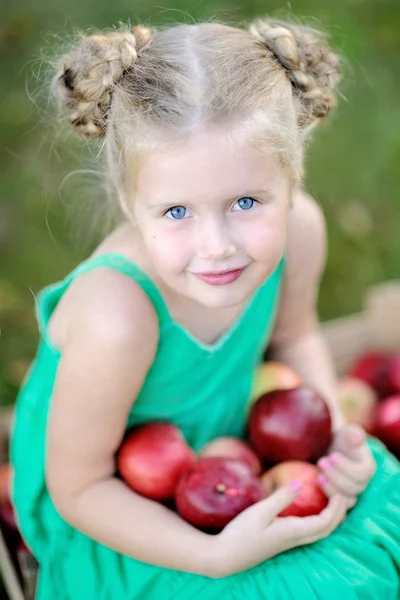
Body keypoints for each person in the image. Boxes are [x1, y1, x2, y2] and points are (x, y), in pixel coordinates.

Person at [9, 17, 400, 600]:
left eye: (245, 201)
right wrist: (213, 556)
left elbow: (295, 336)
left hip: (233, 460)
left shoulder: (300, 233)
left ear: (292, 180)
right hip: (121, 507)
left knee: (377, 513)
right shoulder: (117, 316)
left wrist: (333, 436)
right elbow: (81, 489)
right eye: (176, 212)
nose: (216, 245)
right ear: (128, 200)